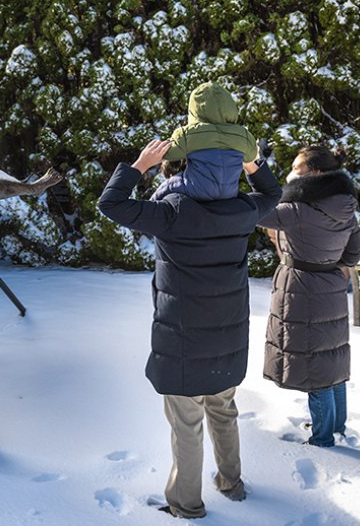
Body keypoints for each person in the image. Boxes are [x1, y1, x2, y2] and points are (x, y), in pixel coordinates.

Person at [98, 138, 281, 519]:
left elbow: (110, 204)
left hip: (182, 343)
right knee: (224, 410)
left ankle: (186, 504)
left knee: (187, 425)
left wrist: (139, 164)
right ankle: (232, 483)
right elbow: (273, 193)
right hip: (227, 339)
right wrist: (253, 163)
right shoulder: (242, 209)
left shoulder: (171, 212)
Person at [257, 145, 360, 447]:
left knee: (314, 368)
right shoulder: (344, 205)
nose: (292, 174)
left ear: (315, 173)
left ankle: (322, 437)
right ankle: (336, 424)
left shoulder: (298, 210)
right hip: (331, 288)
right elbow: (353, 252)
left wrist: (254, 169)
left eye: (297, 168)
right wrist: (336, 267)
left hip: (303, 289)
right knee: (331, 360)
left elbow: (258, 212)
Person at [152, 82, 257, 202]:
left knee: (167, 186)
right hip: (229, 193)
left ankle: (148, 214)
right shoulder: (243, 135)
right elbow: (251, 156)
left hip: (197, 189)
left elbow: (170, 154)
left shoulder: (187, 134)